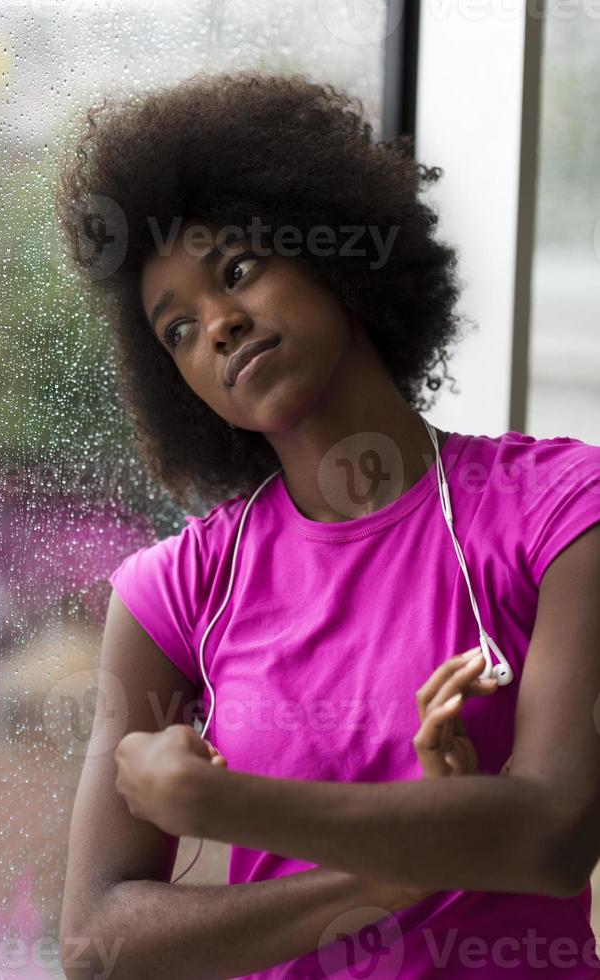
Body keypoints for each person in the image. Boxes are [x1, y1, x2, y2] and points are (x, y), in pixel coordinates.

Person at [56, 70, 600, 979]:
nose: (220, 328)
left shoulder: (557, 508)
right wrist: (381, 881)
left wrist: (218, 804)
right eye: (177, 331)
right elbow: (97, 943)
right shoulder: (175, 592)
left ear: (338, 254)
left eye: (237, 271)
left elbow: (551, 832)